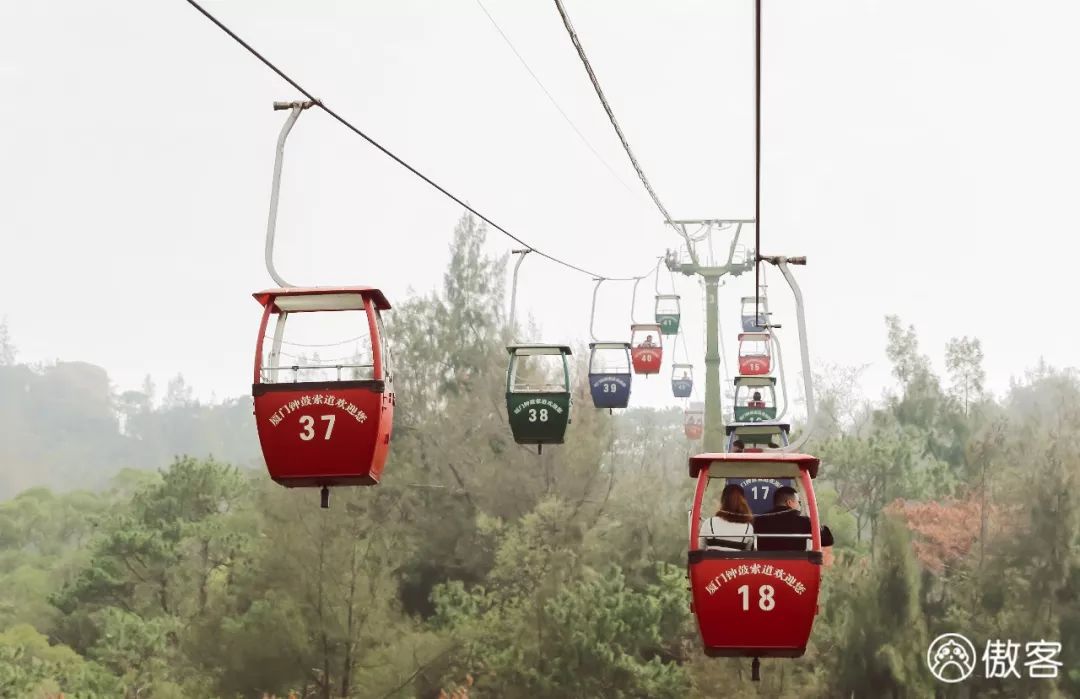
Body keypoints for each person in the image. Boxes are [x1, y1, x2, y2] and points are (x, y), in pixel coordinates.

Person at [754, 486, 833, 552]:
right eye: (798, 502)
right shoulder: (803, 522)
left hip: (765, 564)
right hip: (796, 565)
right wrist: (816, 522)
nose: (799, 505)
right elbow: (827, 540)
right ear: (789, 502)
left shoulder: (758, 521)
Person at [699, 484, 755, 550]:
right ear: (743, 501)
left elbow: (700, 550)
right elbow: (747, 554)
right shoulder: (748, 528)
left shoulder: (709, 523)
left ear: (723, 500)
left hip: (714, 560)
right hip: (737, 560)